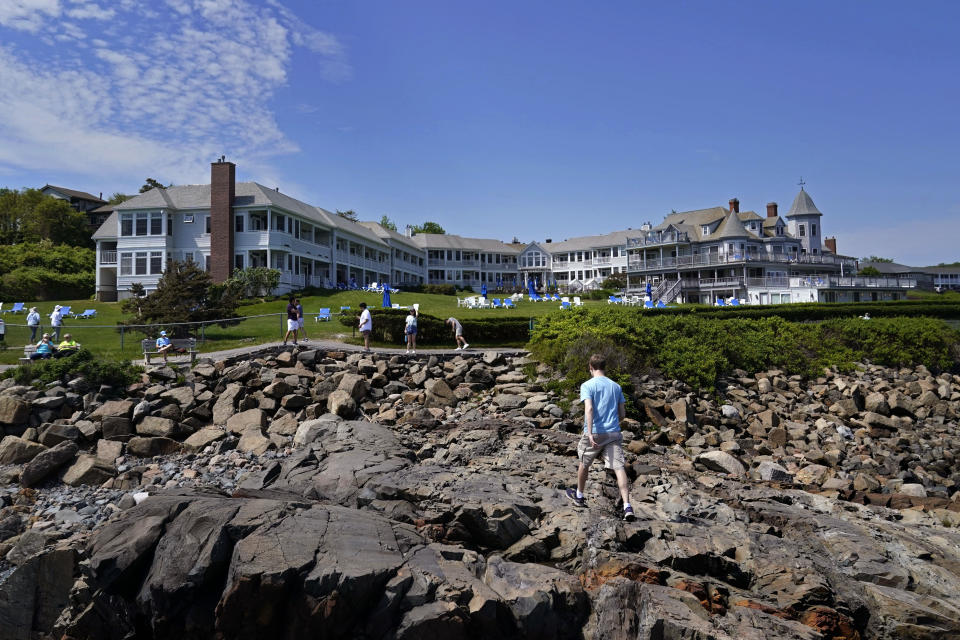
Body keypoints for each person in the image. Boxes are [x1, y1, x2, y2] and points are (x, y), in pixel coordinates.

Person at [566, 353, 634, 522]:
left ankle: (580, 496)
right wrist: (613, 424)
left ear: (590, 367)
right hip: (613, 433)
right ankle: (627, 506)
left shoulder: (587, 385)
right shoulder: (616, 386)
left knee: (584, 463)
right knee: (619, 467)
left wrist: (589, 432)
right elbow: (623, 414)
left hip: (595, 432)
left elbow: (589, 409)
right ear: (605, 367)